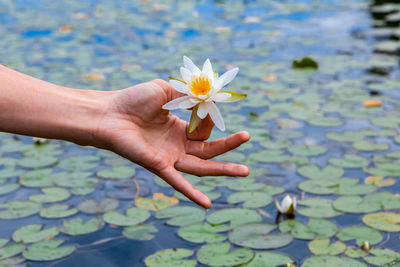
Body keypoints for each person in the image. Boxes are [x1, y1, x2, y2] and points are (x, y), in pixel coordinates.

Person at [0, 65, 250, 209]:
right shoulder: (188, 94)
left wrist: (107, 113)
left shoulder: (199, 93)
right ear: (191, 86)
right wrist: (109, 113)